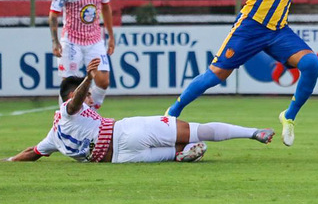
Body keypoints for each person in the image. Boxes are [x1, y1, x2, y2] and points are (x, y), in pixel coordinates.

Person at [165, 0, 318, 147]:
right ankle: (170, 115)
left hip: (278, 30)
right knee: (215, 75)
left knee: (311, 64)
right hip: (251, 26)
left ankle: (288, 116)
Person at [4, 59, 274, 163]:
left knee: (185, 147)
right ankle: (253, 133)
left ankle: (182, 154)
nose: (89, 98)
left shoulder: (52, 136)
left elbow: (33, 152)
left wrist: (9, 162)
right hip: (128, 130)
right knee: (194, 131)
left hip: (122, 159)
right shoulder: (69, 108)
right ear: (75, 95)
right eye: (86, 95)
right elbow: (74, 103)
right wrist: (88, 78)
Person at [49, 0, 115, 109]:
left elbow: (106, 8)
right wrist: (55, 42)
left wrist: (111, 36)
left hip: (94, 39)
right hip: (72, 41)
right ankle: (63, 121)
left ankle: (91, 112)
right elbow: (53, 15)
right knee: (68, 83)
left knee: (103, 80)